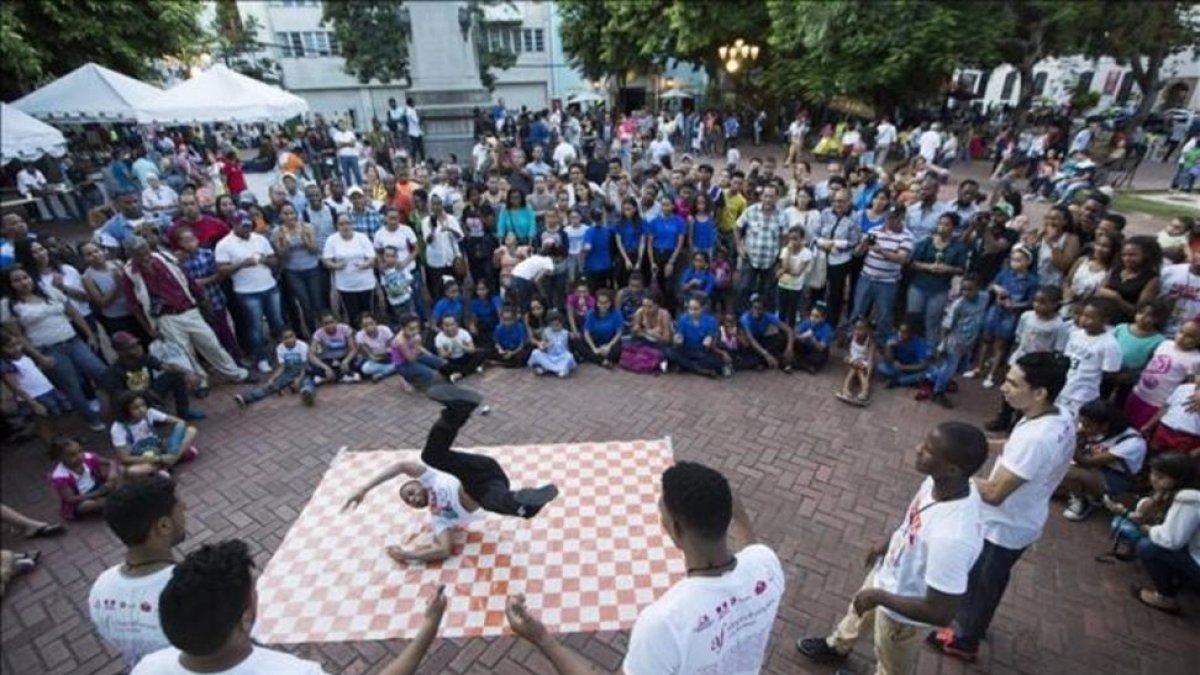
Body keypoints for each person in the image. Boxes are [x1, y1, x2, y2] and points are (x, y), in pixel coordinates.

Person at [506, 460, 782, 674]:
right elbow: (751, 547)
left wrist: (542, 639)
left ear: (675, 528)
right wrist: (741, 517)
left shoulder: (665, 622)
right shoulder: (767, 566)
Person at [798, 422, 989, 675]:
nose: (918, 449)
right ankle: (838, 646)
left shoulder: (953, 536)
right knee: (856, 615)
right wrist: (884, 547)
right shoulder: (943, 483)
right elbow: (914, 522)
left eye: (929, 450)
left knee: (891, 664)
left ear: (951, 468)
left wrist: (879, 597)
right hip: (888, 577)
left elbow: (941, 612)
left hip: (903, 619)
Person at [927, 352, 1075, 663]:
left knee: (982, 583)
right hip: (1021, 520)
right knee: (986, 581)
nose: (1003, 387)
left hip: (1004, 527)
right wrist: (977, 444)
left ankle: (964, 641)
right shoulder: (1056, 415)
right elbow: (1013, 446)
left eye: (1012, 383)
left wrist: (950, 470)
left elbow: (994, 492)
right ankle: (971, 625)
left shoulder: (1038, 438)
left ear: (1039, 392)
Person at [132, 539, 446, 674]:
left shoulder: (148, 667)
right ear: (244, 620)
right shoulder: (296, 672)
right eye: (254, 590)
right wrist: (429, 627)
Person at [345, 385, 558, 562]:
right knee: (491, 501)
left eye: (410, 492)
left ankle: (456, 412)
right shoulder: (439, 518)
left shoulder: (430, 479)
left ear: (418, 484)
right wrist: (407, 554)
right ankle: (526, 505)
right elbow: (444, 550)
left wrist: (364, 489)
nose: (412, 499)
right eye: (409, 501)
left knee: (431, 457)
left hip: (475, 470)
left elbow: (401, 466)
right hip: (488, 490)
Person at [89, 476, 183, 670]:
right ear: (164, 526)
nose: (185, 507)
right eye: (180, 506)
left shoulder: (101, 586)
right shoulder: (191, 588)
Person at [1, 265, 108, 431]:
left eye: (25, 277)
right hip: (48, 350)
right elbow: (19, 337)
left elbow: (73, 313)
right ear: (9, 284)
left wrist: (90, 335)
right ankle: (91, 419)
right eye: (16, 280)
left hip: (73, 340)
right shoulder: (9, 305)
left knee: (100, 371)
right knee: (72, 386)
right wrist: (39, 357)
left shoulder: (48, 291)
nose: (23, 282)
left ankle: (124, 402)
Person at [1060, 399, 1147, 522]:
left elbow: (1086, 462)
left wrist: (1071, 441)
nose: (1083, 428)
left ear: (1105, 425)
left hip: (1116, 479)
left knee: (1065, 471)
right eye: (1082, 423)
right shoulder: (1100, 431)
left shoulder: (1132, 442)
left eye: (1087, 425)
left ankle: (1083, 501)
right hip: (1096, 469)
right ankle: (1082, 492)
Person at [921, 275, 989, 409]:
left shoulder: (984, 298)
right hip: (955, 342)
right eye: (963, 289)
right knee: (949, 368)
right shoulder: (958, 304)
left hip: (969, 342)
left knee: (961, 368)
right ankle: (938, 392)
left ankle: (931, 377)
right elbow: (946, 326)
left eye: (970, 289)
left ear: (978, 288)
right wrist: (942, 343)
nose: (966, 293)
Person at [1057, 300, 1122, 418]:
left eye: (1090, 317)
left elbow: (1109, 373)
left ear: (1105, 320)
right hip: (1063, 387)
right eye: (1083, 315)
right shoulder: (1075, 334)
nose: (1083, 319)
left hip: (1083, 395)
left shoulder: (1110, 345)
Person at [233, 326, 310, 409]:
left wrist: (299, 379)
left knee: (307, 383)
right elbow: (282, 367)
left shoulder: (302, 346)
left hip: (304, 371)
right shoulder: (280, 348)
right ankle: (246, 399)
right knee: (271, 386)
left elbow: (304, 366)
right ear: (281, 340)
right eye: (286, 338)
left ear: (295, 336)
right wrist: (272, 379)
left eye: (291, 336)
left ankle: (307, 395)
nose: (290, 340)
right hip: (289, 371)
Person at [877, 320, 931, 389]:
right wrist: (888, 347)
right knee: (880, 366)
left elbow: (923, 365)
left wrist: (903, 367)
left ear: (912, 334)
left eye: (904, 332)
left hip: (913, 370)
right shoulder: (895, 339)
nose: (900, 334)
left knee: (928, 372)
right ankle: (908, 381)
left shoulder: (919, 343)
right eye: (899, 331)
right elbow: (888, 360)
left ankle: (899, 381)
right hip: (898, 370)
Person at [837, 317, 875, 406]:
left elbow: (870, 361)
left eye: (861, 329)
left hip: (863, 364)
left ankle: (865, 389)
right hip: (851, 361)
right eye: (856, 328)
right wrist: (851, 360)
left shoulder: (870, 343)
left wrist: (868, 376)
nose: (857, 331)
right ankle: (846, 388)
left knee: (859, 369)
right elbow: (845, 354)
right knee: (854, 367)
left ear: (868, 330)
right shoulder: (850, 337)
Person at [528, 309, 576, 377]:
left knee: (569, 357)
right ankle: (545, 367)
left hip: (561, 357)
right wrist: (545, 346)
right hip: (549, 356)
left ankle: (561, 369)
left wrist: (574, 335)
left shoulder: (565, 332)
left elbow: (570, 343)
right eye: (553, 324)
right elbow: (543, 346)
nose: (556, 326)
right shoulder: (546, 332)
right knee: (535, 353)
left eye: (558, 324)